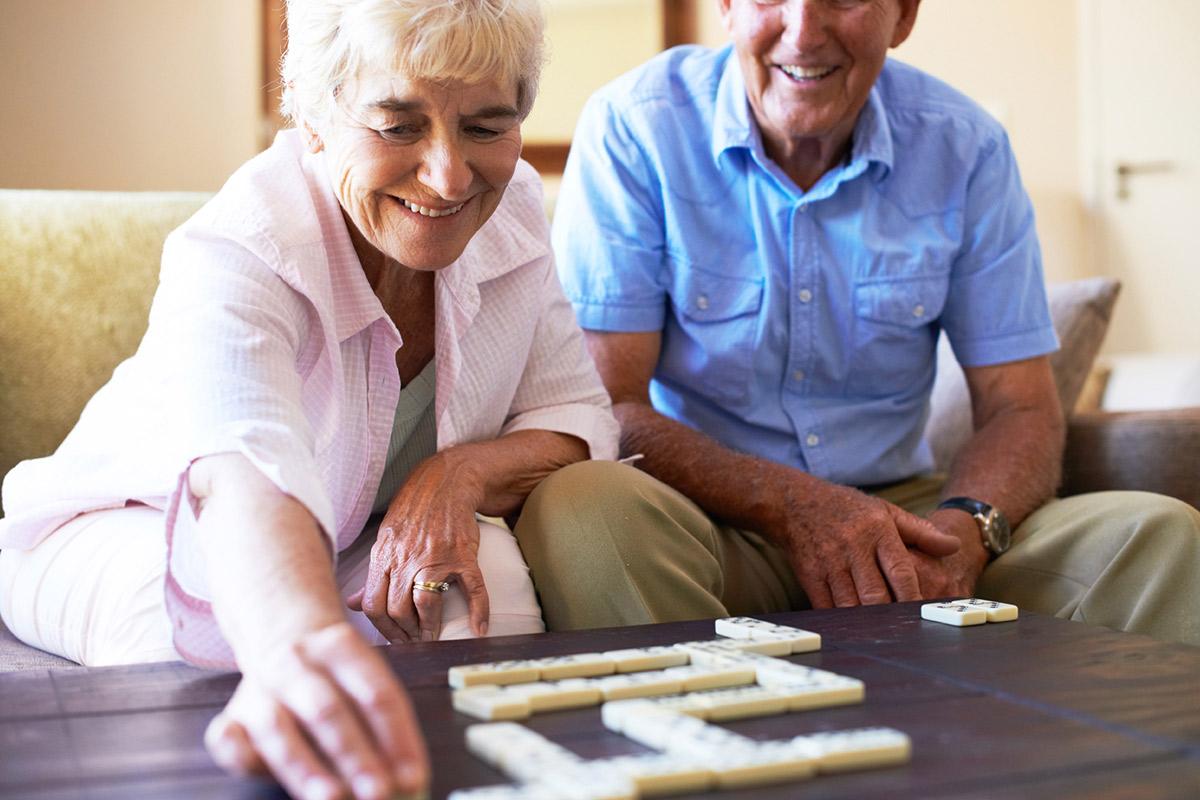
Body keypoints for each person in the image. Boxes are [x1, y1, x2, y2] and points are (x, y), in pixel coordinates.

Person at [0, 1, 619, 798]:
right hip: (124, 524)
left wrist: (456, 476)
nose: (448, 176)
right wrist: (296, 633)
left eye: (485, 128)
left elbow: (575, 415)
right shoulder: (243, 243)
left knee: (483, 597)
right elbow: (243, 466)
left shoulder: (515, 211)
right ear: (316, 117)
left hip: (348, 536)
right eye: (398, 126)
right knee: (214, 645)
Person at [522, 0, 1200, 645]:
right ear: (727, 6)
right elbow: (610, 406)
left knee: (1159, 534)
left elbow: (1020, 406)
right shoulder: (636, 126)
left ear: (903, 14)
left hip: (908, 521)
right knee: (582, 512)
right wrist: (798, 509)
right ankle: (717, 750)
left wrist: (962, 532)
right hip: (708, 520)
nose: (804, 31)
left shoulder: (967, 147)